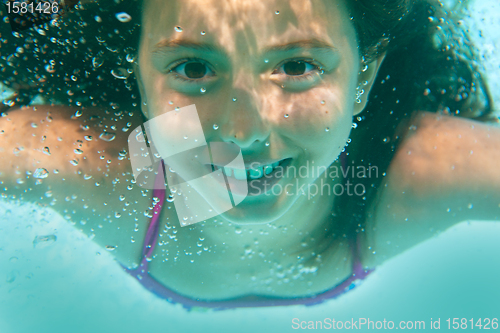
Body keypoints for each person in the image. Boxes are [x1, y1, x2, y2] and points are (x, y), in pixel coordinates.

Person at [0, 0, 499, 310]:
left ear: (363, 78)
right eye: (193, 68)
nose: (244, 133)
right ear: (137, 79)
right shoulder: (88, 161)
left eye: (298, 65)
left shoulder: (413, 168)